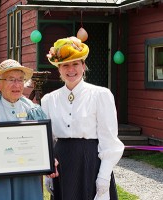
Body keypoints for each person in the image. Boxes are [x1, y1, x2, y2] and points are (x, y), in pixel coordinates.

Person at [41, 36, 124, 200]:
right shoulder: (49, 100)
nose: (70, 69)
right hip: (62, 163)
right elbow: (47, 140)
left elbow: (109, 140)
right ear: (58, 68)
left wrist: (104, 176)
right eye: (65, 65)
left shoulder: (101, 95)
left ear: (83, 66)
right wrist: (47, 171)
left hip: (90, 161)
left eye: (75, 64)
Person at [0, 59, 58, 200]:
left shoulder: (33, 110)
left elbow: (43, 145)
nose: (17, 85)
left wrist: (49, 160)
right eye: (11, 80)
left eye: (20, 80)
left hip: (28, 180)